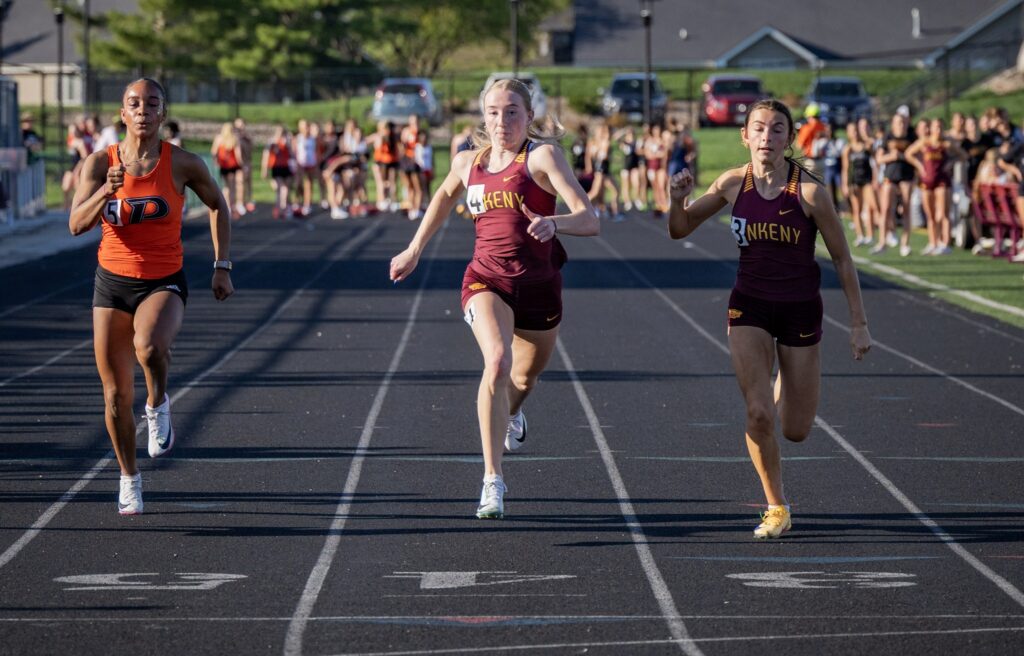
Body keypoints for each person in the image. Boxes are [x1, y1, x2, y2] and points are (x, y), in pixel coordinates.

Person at [389, 78, 599, 519]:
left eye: (512, 112)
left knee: (523, 380)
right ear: (483, 117)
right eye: (493, 112)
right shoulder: (469, 161)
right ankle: (492, 480)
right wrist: (414, 249)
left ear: (529, 117)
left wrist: (555, 223)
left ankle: (513, 414)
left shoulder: (541, 157)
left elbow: (589, 218)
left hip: (539, 288)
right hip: (486, 280)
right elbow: (443, 196)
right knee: (498, 362)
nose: (502, 121)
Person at [666, 99, 871, 539]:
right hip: (749, 307)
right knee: (759, 414)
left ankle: (782, 381)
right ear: (745, 136)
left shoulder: (810, 193)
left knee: (795, 430)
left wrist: (858, 323)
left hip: (799, 310)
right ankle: (776, 506)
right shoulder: (731, 183)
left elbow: (842, 258)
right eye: (758, 128)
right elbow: (680, 229)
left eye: (777, 129)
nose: (766, 136)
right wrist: (676, 199)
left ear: (789, 139)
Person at [68, 78, 233, 515]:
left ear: (162, 113)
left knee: (150, 346)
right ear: (122, 113)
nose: (143, 110)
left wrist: (222, 265)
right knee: (114, 396)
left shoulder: (183, 163)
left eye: (152, 103)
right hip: (112, 283)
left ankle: (158, 403)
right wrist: (106, 190)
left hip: (163, 279)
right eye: (134, 103)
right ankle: (129, 478)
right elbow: (76, 224)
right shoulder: (98, 164)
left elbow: (218, 204)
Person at [905, 117, 966, 255]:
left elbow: (963, 155)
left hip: (942, 181)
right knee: (930, 215)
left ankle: (945, 243)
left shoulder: (946, 143)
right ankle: (933, 242)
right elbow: (908, 154)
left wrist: (951, 163)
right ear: (931, 128)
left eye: (940, 127)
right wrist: (920, 166)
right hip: (927, 181)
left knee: (944, 213)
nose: (938, 130)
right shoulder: (924, 142)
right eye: (935, 127)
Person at [261, 124, 294, 220]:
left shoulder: (286, 142)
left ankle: (283, 207)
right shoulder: (272, 143)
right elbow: (266, 155)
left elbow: (291, 154)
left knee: (286, 189)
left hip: (285, 167)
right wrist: (265, 169)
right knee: (280, 188)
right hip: (276, 168)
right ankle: (280, 207)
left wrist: (288, 143)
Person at [211, 122, 244, 219]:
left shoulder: (219, 138)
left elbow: (213, 152)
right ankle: (232, 205)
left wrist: (216, 161)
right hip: (233, 165)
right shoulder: (234, 139)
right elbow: (238, 155)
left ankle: (227, 206)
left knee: (226, 186)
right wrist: (242, 165)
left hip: (223, 165)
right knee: (232, 186)